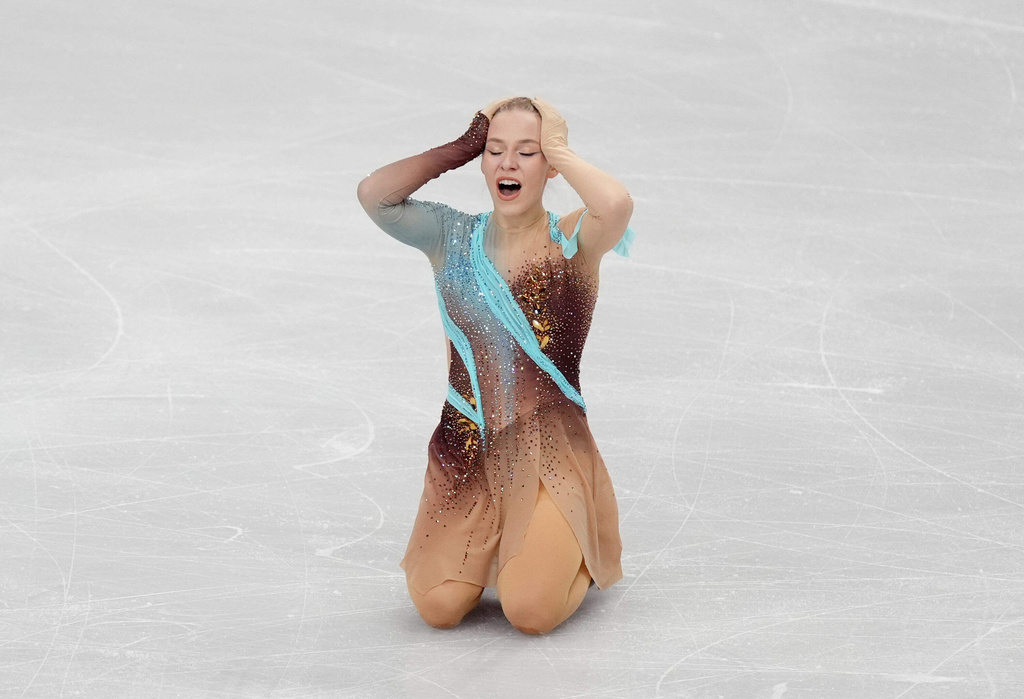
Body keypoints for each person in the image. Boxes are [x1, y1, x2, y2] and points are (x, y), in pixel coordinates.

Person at [356, 97, 634, 634]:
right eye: (495, 151)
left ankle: (576, 543)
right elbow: (376, 196)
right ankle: (504, 549)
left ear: (549, 165)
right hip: (467, 445)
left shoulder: (571, 241)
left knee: (528, 613)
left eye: (526, 153)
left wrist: (556, 147)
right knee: (438, 609)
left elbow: (616, 204)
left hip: (548, 448)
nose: (507, 164)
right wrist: (459, 148)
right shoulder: (451, 237)